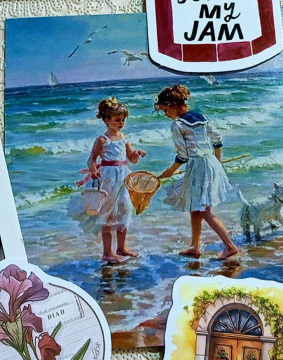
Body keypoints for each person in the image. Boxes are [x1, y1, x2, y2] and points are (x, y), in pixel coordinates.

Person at [154, 85, 239, 262]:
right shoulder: (201, 117)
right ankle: (195, 246)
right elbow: (217, 139)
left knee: (205, 211)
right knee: (195, 207)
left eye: (165, 110)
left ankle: (230, 246)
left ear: (172, 105)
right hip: (210, 163)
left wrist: (170, 171)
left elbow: (183, 155)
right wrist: (217, 161)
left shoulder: (177, 125)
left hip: (198, 166)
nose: (166, 114)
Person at [72, 97, 145, 265]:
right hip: (108, 179)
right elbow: (91, 159)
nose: (121, 123)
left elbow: (131, 159)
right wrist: (93, 169)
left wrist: (137, 154)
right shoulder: (102, 140)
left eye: (123, 120)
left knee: (124, 210)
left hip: (123, 178)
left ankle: (121, 248)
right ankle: (107, 252)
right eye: (117, 120)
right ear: (107, 120)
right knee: (108, 214)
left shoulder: (124, 138)